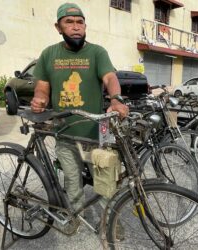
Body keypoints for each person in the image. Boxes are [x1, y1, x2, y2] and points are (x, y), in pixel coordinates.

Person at [30, 2, 129, 213]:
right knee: (73, 184)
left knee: (105, 181)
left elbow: (110, 77)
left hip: (95, 134)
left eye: (80, 22)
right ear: (58, 27)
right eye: (69, 22)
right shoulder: (49, 54)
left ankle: (110, 222)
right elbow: (42, 88)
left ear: (85, 26)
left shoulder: (96, 52)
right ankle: (75, 216)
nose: (76, 27)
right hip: (64, 133)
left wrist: (116, 99)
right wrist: (39, 99)